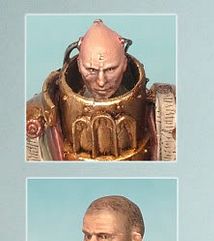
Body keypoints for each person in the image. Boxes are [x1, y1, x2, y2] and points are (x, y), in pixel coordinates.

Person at [26, 19, 176, 161]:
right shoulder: (36, 116)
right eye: (91, 70)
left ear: (124, 64)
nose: (101, 82)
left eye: (111, 69)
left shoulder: (168, 108)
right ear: (79, 65)